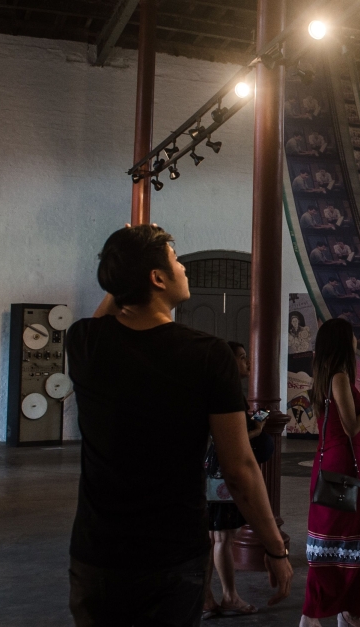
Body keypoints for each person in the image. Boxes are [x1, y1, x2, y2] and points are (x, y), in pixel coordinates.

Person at [66, 225, 292, 626]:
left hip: (97, 551)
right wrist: (275, 548)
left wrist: (127, 258)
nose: (184, 267)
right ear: (157, 278)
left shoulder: (84, 340)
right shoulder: (208, 356)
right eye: (175, 260)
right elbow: (239, 468)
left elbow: (108, 316)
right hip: (171, 553)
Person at [301, 319, 360, 627]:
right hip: (343, 466)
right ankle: (316, 616)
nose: (355, 340)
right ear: (342, 341)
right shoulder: (339, 377)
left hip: (332, 462)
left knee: (336, 539)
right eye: (352, 336)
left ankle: (347, 613)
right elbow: (351, 427)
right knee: (350, 538)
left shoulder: (326, 376)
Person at [203, 342, 266, 620]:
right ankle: (228, 596)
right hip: (221, 470)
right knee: (222, 536)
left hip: (213, 468)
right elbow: (225, 439)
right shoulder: (225, 393)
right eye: (242, 358)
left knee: (214, 536)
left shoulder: (218, 390)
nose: (247, 362)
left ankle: (207, 597)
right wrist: (256, 430)